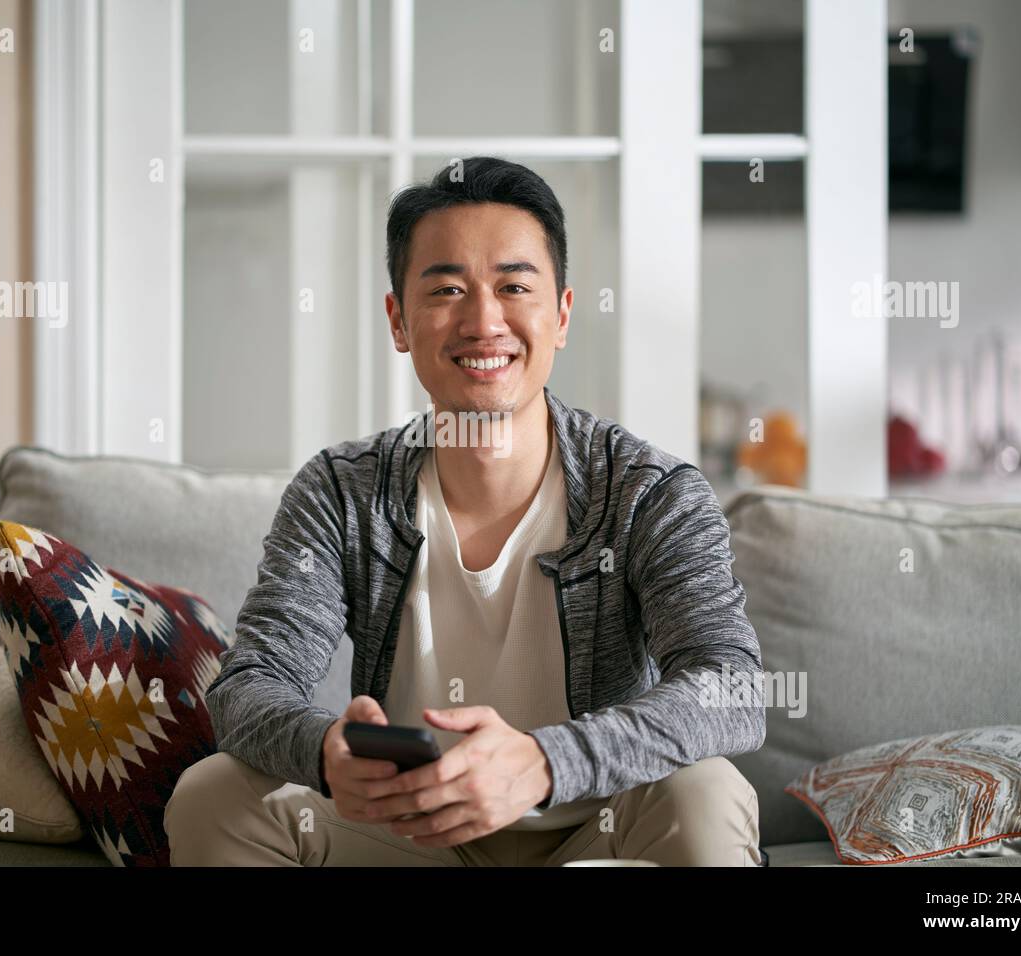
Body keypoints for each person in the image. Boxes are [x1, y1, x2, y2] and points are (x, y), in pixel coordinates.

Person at [165, 156, 766, 866]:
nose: (484, 321)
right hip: (409, 834)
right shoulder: (340, 491)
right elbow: (250, 685)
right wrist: (327, 752)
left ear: (562, 314)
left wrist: (546, 763)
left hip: (594, 831)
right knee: (214, 794)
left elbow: (731, 687)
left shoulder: (649, 492)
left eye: (514, 286)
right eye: (447, 289)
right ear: (398, 319)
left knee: (708, 791)